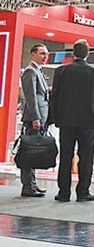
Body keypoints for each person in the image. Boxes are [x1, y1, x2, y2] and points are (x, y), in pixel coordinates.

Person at [51, 39, 94, 202]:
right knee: (86, 157)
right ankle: (83, 192)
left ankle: (63, 193)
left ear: (73, 53)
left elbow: (54, 97)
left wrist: (55, 117)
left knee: (65, 156)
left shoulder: (61, 71)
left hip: (66, 121)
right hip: (88, 121)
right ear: (88, 54)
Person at [20, 43, 49, 197]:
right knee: (29, 153)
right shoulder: (30, 71)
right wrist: (35, 118)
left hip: (40, 119)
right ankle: (27, 186)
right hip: (33, 119)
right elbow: (30, 98)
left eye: (46, 54)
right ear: (33, 54)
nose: (45, 56)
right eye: (42, 53)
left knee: (34, 153)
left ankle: (32, 184)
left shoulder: (38, 71)